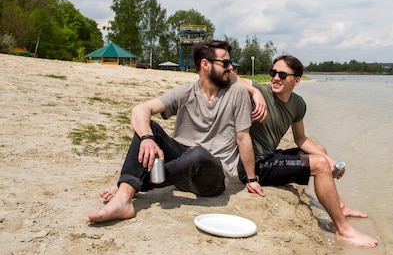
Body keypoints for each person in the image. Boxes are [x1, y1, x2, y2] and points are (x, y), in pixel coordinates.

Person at [86, 39, 262, 223]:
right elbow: (140, 110)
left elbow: (243, 138)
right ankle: (124, 200)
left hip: (212, 177)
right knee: (151, 128)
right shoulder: (185, 92)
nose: (230, 68)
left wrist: (251, 179)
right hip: (180, 170)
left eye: (230, 62)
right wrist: (147, 138)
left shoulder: (238, 93)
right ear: (205, 64)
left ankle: (131, 186)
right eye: (225, 63)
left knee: (198, 154)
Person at [233, 55, 378, 247]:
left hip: (270, 157)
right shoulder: (261, 91)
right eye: (273, 73)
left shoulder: (298, 103)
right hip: (254, 167)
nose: (276, 78)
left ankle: (340, 206)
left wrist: (329, 159)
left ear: (297, 80)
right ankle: (343, 230)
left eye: (283, 75)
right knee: (319, 165)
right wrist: (254, 92)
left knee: (320, 151)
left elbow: (300, 139)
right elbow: (230, 76)